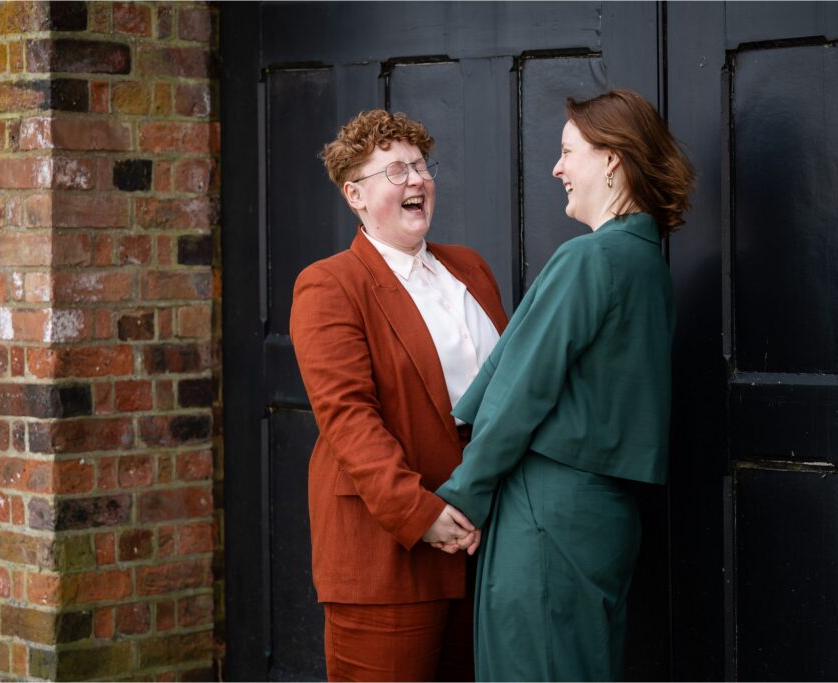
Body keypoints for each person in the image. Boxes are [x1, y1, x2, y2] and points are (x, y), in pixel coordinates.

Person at [435, 88, 695, 681]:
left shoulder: (591, 259)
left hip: (547, 513)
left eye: (567, 151)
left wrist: (464, 494)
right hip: (604, 516)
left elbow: (519, 392)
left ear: (611, 160)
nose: (556, 168)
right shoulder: (648, 265)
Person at [290, 109, 507, 682]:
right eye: (395, 170)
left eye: (420, 165)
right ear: (354, 195)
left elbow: (508, 394)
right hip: (388, 551)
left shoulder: (471, 268)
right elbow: (347, 419)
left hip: (482, 544)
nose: (416, 179)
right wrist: (422, 513)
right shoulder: (329, 284)